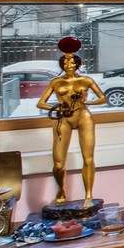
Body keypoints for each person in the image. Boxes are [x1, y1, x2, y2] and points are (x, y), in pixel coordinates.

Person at [36, 41, 108, 201]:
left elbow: (103, 98)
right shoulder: (56, 82)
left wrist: (87, 103)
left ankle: (88, 195)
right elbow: (40, 103)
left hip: (83, 116)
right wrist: (56, 108)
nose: (69, 65)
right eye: (66, 62)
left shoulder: (86, 80)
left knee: (88, 158)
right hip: (63, 118)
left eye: (72, 62)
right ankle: (61, 191)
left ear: (77, 64)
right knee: (59, 163)